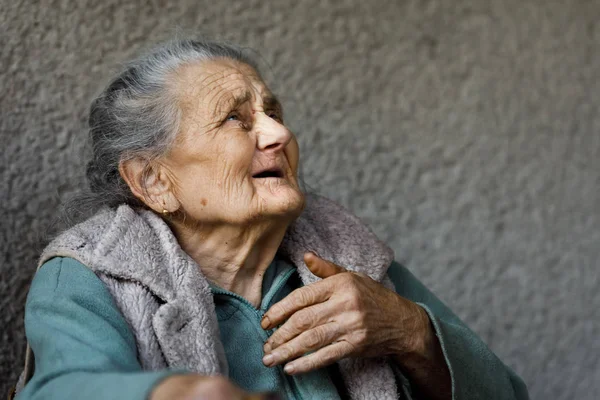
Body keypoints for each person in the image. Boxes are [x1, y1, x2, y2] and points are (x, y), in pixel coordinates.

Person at [14, 39, 529, 400]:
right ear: (154, 181)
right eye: (236, 118)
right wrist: (171, 392)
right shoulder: (91, 273)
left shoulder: (343, 252)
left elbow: (506, 394)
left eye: (274, 113)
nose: (276, 134)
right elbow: (61, 389)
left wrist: (410, 330)